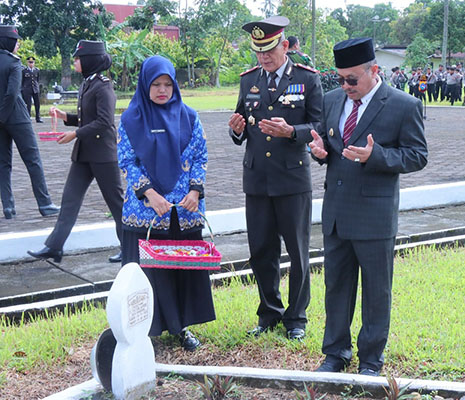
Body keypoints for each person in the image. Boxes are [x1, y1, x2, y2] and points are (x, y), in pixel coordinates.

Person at [309, 37, 428, 376]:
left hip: (374, 216)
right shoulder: (333, 100)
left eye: (352, 79)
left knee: (376, 292)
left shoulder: (403, 105)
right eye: (340, 78)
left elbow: (417, 155)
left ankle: (371, 360)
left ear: (374, 71)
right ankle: (335, 353)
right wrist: (318, 152)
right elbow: (327, 142)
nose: (345, 86)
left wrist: (376, 156)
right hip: (336, 213)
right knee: (336, 288)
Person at [228, 16, 323, 341]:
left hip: (292, 180)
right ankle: (269, 312)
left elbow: (320, 127)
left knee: (297, 252)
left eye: (269, 50)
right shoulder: (249, 79)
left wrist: (292, 132)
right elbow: (242, 120)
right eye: (258, 51)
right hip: (257, 180)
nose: (264, 57)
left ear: (284, 45)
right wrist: (235, 130)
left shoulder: (307, 80)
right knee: (261, 252)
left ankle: (296, 318)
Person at [117, 55, 214, 351]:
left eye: (167, 84)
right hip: (146, 212)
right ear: (145, 85)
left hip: (183, 211)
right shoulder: (130, 119)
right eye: (156, 84)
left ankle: (182, 328)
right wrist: (149, 193)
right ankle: (145, 331)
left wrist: (195, 192)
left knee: (180, 271)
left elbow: (200, 157)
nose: (162, 90)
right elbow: (127, 161)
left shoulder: (189, 116)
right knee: (148, 273)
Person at [27, 40, 122, 263]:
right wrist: (65, 117)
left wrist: (76, 134)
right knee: (70, 200)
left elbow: (104, 122)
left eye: (79, 58)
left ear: (89, 60)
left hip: (102, 154)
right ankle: (54, 247)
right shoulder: (87, 83)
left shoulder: (103, 85)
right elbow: (86, 118)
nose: (75, 61)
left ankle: (130, 247)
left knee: (116, 204)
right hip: (84, 154)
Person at [0, 25, 59, 220]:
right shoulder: (14, 63)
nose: (17, 45)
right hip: (16, 117)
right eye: (15, 41)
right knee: (33, 160)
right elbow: (11, 92)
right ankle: (45, 203)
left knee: (3, 164)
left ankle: (8, 207)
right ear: (8, 41)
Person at [21, 56, 42, 123]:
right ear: (27, 63)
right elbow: (22, 81)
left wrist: (37, 87)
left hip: (35, 89)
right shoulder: (24, 71)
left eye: (32, 62)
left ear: (34, 63)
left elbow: (37, 80)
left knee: (37, 104)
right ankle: (28, 117)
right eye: (30, 62)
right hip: (27, 89)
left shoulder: (37, 70)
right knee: (28, 104)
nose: (31, 64)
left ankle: (38, 118)